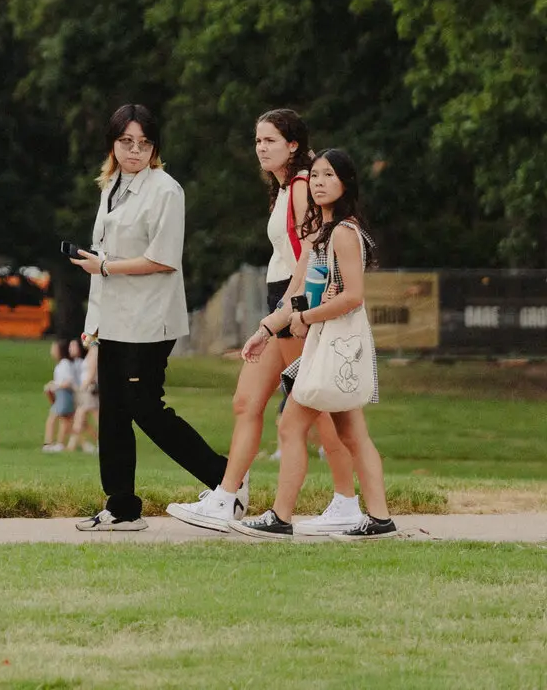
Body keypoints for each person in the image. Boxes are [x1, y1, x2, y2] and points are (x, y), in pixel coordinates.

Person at [171, 109, 361, 533]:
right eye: (257, 140)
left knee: (318, 409)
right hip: (281, 303)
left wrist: (291, 310)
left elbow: (311, 252)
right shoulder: (285, 189)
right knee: (246, 401)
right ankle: (226, 497)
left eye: (270, 140)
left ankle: (347, 500)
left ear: (293, 145)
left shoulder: (301, 186)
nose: (261, 147)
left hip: (295, 305)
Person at [70, 103, 229, 531]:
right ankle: (122, 506)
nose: (135, 150)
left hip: (149, 319)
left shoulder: (166, 191)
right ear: (113, 144)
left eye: (143, 143)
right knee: (113, 412)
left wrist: (104, 266)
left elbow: (163, 258)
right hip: (114, 318)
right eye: (126, 142)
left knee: (145, 407)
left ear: (155, 146)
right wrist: (93, 322)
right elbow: (107, 254)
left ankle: (226, 480)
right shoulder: (111, 185)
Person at [236, 149, 397, 538]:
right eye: (317, 176)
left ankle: (280, 517)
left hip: (334, 348)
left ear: (346, 183)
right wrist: (265, 331)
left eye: (329, 176)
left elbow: (353, 296)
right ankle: (380, 519)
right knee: (352, 434)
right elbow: (298, 294)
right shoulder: (321, 235)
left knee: (291, 425)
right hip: (326, 346)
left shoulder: (343, 233)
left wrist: (306, 318)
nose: (320, 182)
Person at [41, 339, 77, 452]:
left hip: (65, 395)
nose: (52, 351)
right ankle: (60, 443)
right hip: (61, 394)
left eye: (54, 349)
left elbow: (68, 381)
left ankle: (49, 443)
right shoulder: (61, 364)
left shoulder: (65, 364)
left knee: (53, 418)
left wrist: (55, 386)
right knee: (65, 420)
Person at [71, 339, 99, 454]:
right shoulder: (91, 352)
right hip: (87, 390)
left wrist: (82, 388)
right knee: (81, 417)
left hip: (89, 390)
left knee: (95, 417)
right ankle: (74, 445)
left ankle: (73, 445)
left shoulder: (94, 351)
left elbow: (92, 372)